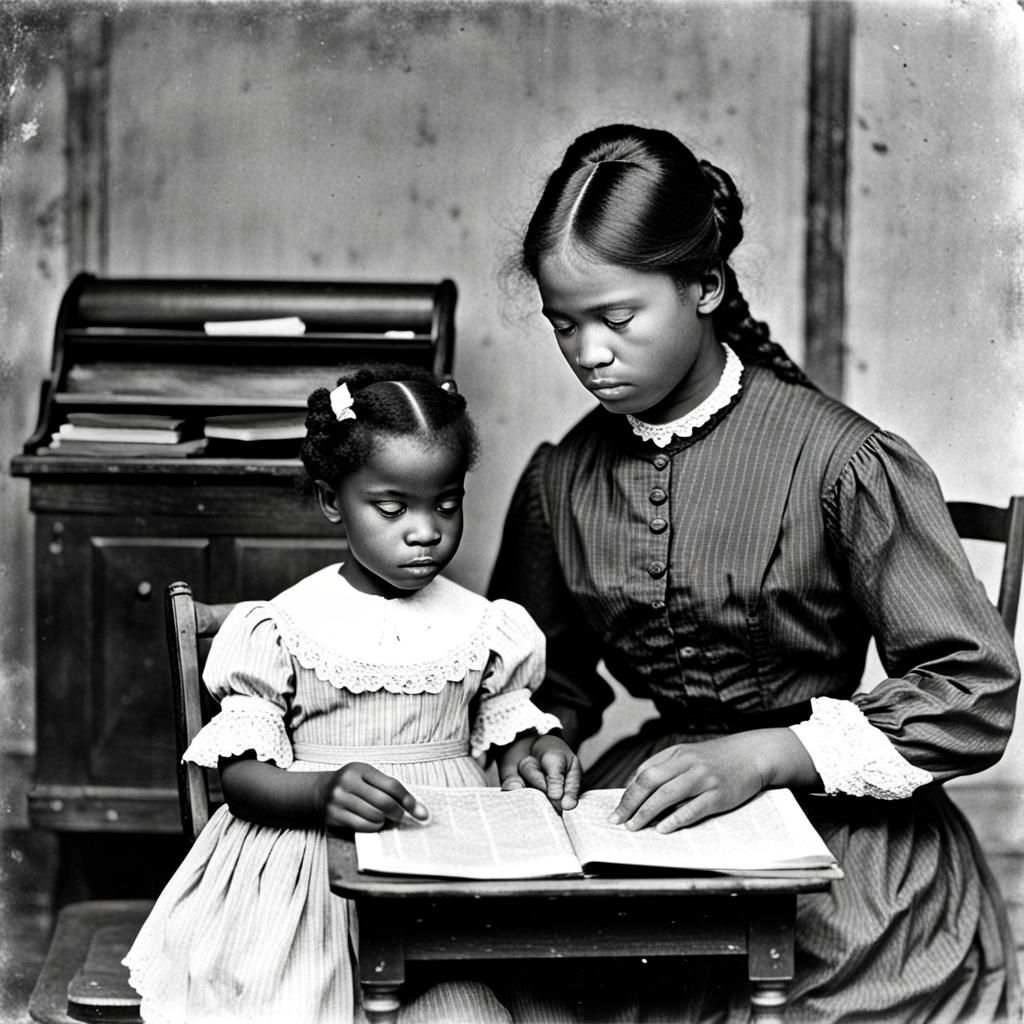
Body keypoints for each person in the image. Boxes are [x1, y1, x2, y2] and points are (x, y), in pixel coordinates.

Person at [488, 123, 1022, 1022]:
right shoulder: (562, 476)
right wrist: (537, 737)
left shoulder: (843, 462)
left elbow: (971, 689)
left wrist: (771, 755)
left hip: (842, 843)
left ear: (706, 285)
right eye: (563, 325)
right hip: (653, 806)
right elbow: (548, 677)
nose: (588, 353)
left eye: (616, 319)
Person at [123, 364, 582, 1024]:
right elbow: (241, 778)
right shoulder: (281, 627)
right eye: (392, 508)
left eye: (446, 504)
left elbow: (508, 735)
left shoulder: (488, 626)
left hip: (446, 867)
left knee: (483, 1006)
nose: (425, 531)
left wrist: (539, 750)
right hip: (313, 874)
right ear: (333, 500)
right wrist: (321, 791)